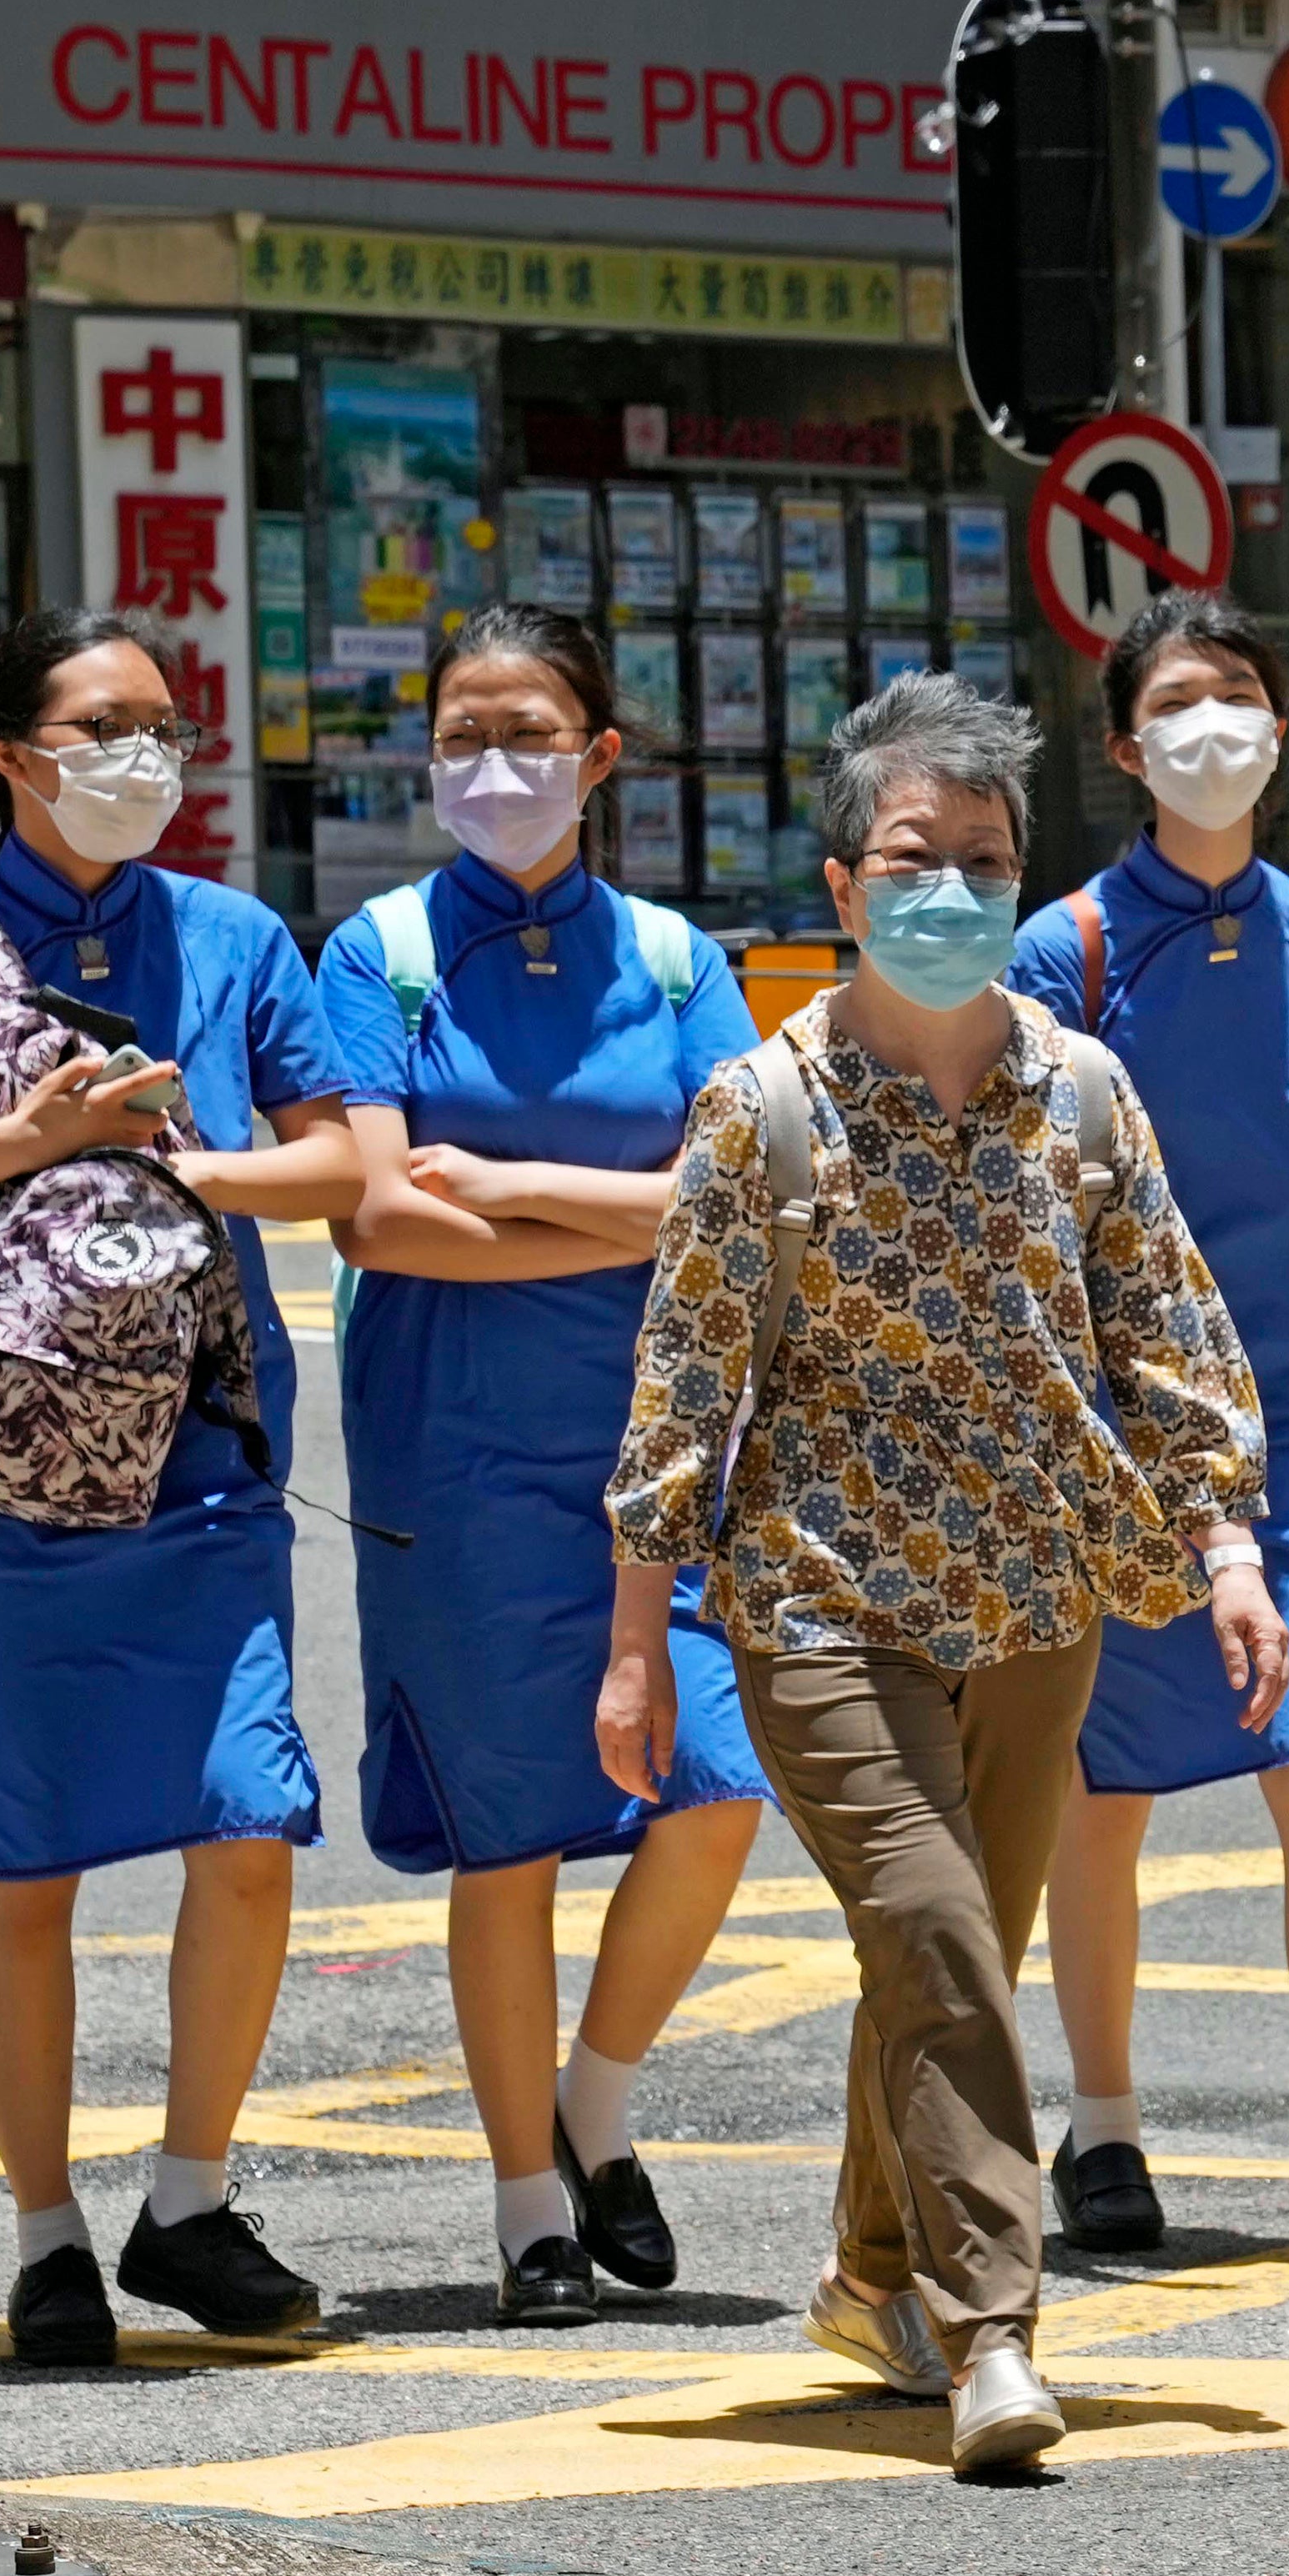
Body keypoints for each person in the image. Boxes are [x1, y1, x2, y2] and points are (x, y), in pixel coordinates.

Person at [604, 675, 1280, 2476]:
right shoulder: (760, 1107)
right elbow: (685, 1381)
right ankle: (992, 2326)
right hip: (817, 1602)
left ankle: (872, 2265)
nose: (952, 889)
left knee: (952, 1953)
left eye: (985, 859)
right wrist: (636, 1649)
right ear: (843, 883)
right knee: (930, 1927)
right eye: (917, 856)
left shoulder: (1084, 1091)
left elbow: (1171, 1328)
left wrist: (1228, 1545)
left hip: (1033, 1599)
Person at [0, 610, 372, 2362]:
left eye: (166, 726)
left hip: (202, 1458)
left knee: (248, 1822)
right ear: (13, 755)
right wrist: (44, 1134)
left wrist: (197, 1153)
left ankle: (186, 2198)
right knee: (25, 1860)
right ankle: (42, 2232)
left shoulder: (239, 936)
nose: (145, 757)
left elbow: (341, 1157)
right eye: (103, 727)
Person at [318, 608, 765, 2326]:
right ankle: (528, 2205)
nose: (489, 765)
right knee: (509, 1838)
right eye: (459, 734)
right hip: (455, 1453)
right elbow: (376, 1216)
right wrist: (622, 1224)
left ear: (600, 756)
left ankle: (596, 2098)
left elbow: (733, 1203)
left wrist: (507, 1191)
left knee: (718, 1786)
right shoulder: (377, 949)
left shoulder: (669, 956)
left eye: (526, 731)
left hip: (664, 1444)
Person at [1009, 591, 1289, 2268]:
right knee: (1104, 1791)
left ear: (1281, 725)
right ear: (1123, 748)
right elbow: (1050, 1215)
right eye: (1178, 703)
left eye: (1242, 695)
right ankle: (1104, 2124)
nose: (1215, 724)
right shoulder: (1071, 950)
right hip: (1121, 1434)